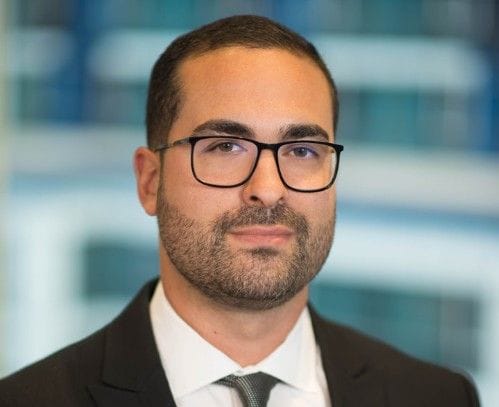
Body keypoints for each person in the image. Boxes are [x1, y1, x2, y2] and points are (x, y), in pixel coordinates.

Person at [0, 15, 479, 407]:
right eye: (225, 147)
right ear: (150, 181)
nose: (267, 190)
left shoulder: (437, 397)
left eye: (302, 151)